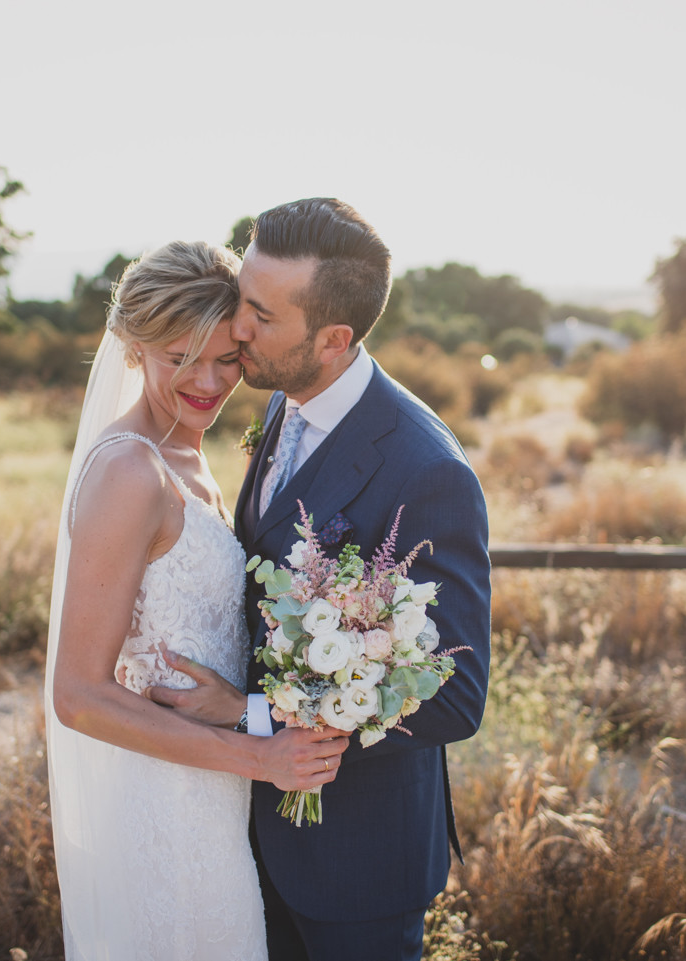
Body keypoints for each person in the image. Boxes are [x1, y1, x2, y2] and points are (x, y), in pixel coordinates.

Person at [151, 199, 492, 961]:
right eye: (242, 298)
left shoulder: (425, 470)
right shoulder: (285, 397)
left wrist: (252, 714)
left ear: (334, 338)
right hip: (245, 835)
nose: (237, 327)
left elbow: (457, 694)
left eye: (261, 315)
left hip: (358, 861)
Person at [44, 239, 348, 960]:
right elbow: (78, 696)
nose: (209, 382)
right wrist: (260, 759)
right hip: (166, 808)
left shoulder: (186, 450)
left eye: (226, 357)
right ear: (133, 348)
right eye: (182, 359)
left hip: (212, 797)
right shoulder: (130, 471)